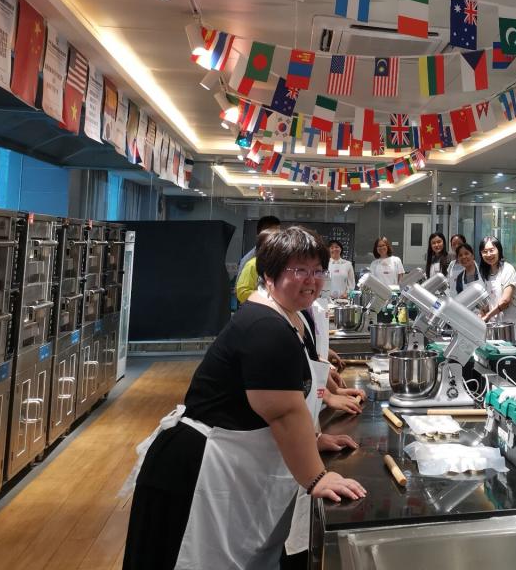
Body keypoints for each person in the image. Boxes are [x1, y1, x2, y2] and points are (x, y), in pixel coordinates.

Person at [123, 226, 366, 570]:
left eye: (317, 270)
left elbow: (287, 399)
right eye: (299, 270)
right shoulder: (265, 327)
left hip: (230, 463)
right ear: (269, 274)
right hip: (200, 470)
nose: (311, 280)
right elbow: (283, 413)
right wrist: (317, 477)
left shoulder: (289, 315)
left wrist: (314, 440)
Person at [478, 236, 516, 323]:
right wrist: (482, 313)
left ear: (499, 250)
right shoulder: (485, 274)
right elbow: (487, 302)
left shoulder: (508, 269)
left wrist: (488, 316)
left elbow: (505, 301)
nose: (488, 254)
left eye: (491, 250)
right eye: (485, 251)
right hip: (496, 324)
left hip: (513, 323)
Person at [235, 225, 281, 304]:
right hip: (259, 307)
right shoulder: (253, 264)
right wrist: (268, 296)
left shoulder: (282, 264)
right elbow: (242, 292)